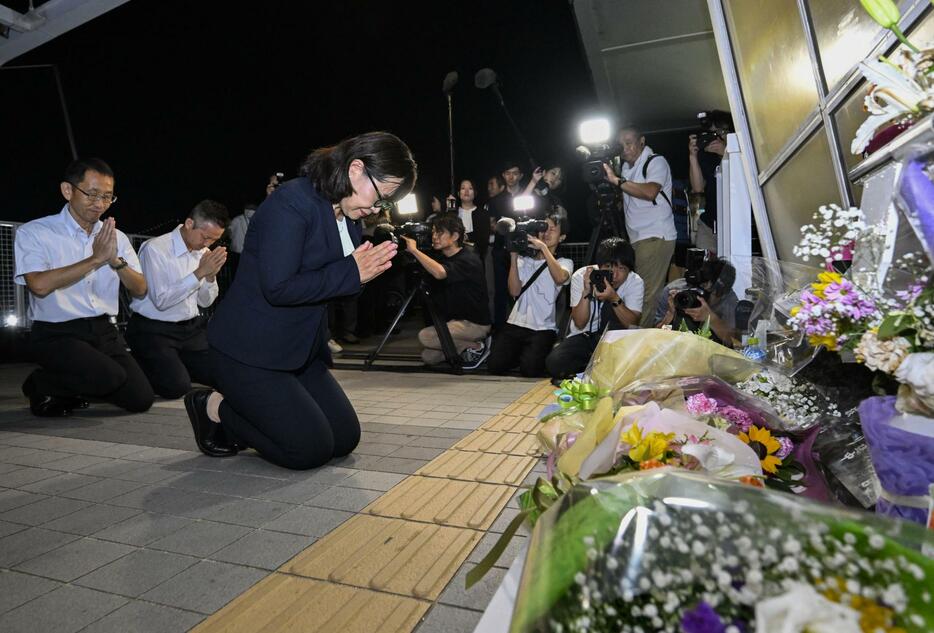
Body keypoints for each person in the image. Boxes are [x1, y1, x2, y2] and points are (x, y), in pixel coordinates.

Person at [184, 131, 416, 466]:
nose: (377, 208)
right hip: (251, 351)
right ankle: (214, 408)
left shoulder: (348, 218)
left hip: (299, 351)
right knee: (309, 449)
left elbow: (335, 282)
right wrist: (352, 273)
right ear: (355, 170)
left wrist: (363, 274)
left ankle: (264, 414)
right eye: (381, 196)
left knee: (344, 438)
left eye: (386, 203)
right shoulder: (292, 202)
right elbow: (278, 288)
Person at [14, 158, 154, 416]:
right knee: (107, 378)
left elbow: (141, 288)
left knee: (141, 399)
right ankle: (39, 384)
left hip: (103, 330)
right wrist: (95, 259)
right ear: (68, 191)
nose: (99, 204)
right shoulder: (35, 232)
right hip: (56, 333)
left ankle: (66, 389)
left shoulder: (115, 237)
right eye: (91, 194)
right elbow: (39, 286)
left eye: (107, 197)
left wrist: (114, 260)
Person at [126, 200, 229, 399]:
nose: (208, 244)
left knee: (223, 374)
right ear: (189, 224)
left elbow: (205, 302)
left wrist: (210, 277)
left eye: (214, 240)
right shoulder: (156, 248)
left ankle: (174, 364)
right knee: (175, 387)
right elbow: (161, 301)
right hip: (153, 329)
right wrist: (199, 273)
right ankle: (135, 361)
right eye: (205, 237)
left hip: (189, 331)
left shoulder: (204, 253)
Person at [602, 125, 677, 328]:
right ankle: (634, 336)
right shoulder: (626, 169)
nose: (624, 148)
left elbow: (651, 191)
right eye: (621, 145)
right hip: (637, 238)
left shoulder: (655, 161)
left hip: (655, 236)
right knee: (635, 291)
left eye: (629, 143)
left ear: (642, 142)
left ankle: (638, 343)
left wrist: (616, 181)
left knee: (645, 295)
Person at [545, 238, 644, 381]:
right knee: (554, 362)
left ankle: (595, 368)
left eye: (621, 268)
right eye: (609, 267)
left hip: (616, 340)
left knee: (612, 310)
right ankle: (596, 368)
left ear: (629, 270)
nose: (614, 275)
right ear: (599, 266)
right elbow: (579, 323)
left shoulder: (635, 281)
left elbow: (632, 322)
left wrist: (614, 298)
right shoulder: (582, 276)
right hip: (584, 337)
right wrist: (586, 291)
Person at [487, 213, 572, 377]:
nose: (546, 232)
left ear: (562, 237)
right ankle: (520, 354)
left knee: (530, 370)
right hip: (516, 323)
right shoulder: (524, 260)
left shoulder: (564, 262)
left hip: (543, 328)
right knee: (495, 366)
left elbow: (560, 277)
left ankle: (529, 355)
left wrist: (544, 249)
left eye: (553, 229)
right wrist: (513, 256)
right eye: (544, 228)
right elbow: (514, 291)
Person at [402, 215, 491, 369]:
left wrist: (415, 251)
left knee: (426, 337)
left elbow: (440, 273)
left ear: (455, 236)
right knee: (428, 356)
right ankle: (466, 348)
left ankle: (477, 346)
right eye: (434, 232)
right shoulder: (443, 258)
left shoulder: (468, 259)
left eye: (440, 233)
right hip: (454, 322)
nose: (434, 237)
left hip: (474, 323)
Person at [655, 257, 739, 346]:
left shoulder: (729, 300)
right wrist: (670, 314)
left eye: (709, 291)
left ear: (722, 293)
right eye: (699, 288)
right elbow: (656, 338)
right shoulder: (675, 291)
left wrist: (711, 318)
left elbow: (734, 341)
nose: (699, 295)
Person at [689, 110, 734, 254]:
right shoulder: (706, 154)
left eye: (721, 131)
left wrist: (725, 153)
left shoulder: (741, 152)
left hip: (735, 224)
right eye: (713, 133)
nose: (717, 137)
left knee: (733, 270)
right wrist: (693, 157)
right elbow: (698, 188)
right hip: (709, 224)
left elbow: (744, 178)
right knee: (705, 269)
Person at [445, 178, 490, 262]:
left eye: (470, 188)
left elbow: (483, 239)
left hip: (475, 258)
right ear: (458, 193)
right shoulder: (453, 213)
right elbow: (447, 232)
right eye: (463, 188)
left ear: (475, 193)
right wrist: (450, 208)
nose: (466, 191)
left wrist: (465, 237)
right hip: (454, 259)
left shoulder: (483, 213)